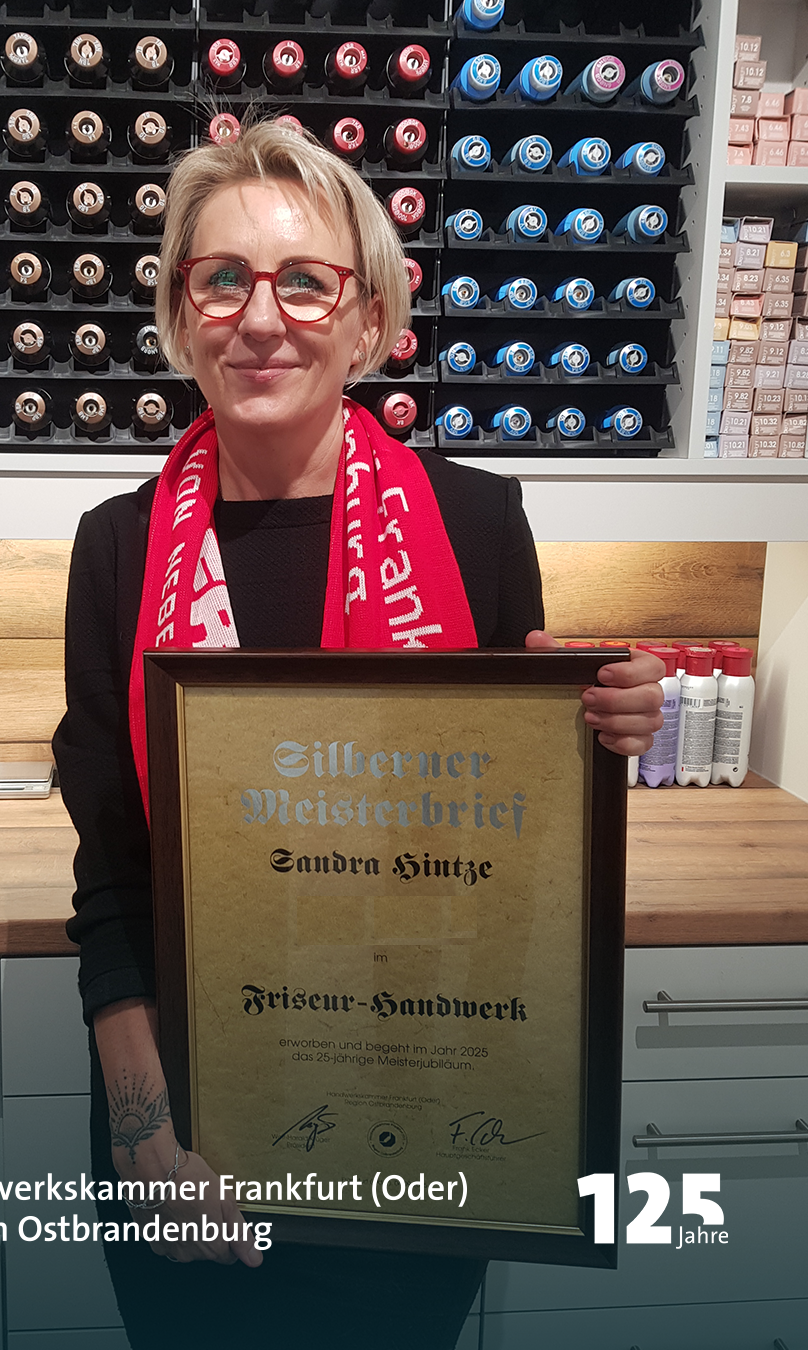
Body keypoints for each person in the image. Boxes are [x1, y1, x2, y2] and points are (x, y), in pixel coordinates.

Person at [53, 118, 664, 1349]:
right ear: (180, 313)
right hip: (197, 1131)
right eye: (222, 278)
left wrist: (597, 735)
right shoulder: (118, 547)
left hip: (424, 1109)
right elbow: (114, 876)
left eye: (303, 281)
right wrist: (146, 1137)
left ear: (368, 317)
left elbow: (512, 862)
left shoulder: (477, 524)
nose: (259, 318)